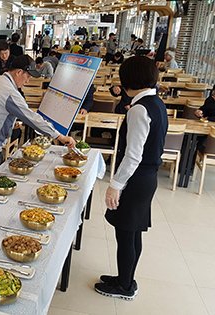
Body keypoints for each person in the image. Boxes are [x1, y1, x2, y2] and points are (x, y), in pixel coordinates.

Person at [95, 56, 168, 301]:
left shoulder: (139, 109)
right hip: (147, 177)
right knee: (133, 232)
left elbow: (133, 155)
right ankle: (125, 278)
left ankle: (125, 287)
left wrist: (115, 185)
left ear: (129, 79)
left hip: (136, 179)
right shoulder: (155, 102)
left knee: (126, 233)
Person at [0, 55, 76, 193]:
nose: (28, 81)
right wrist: (59, 136)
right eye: (28, 76)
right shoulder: (10, 92)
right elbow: (31, 118)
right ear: (19, 72)